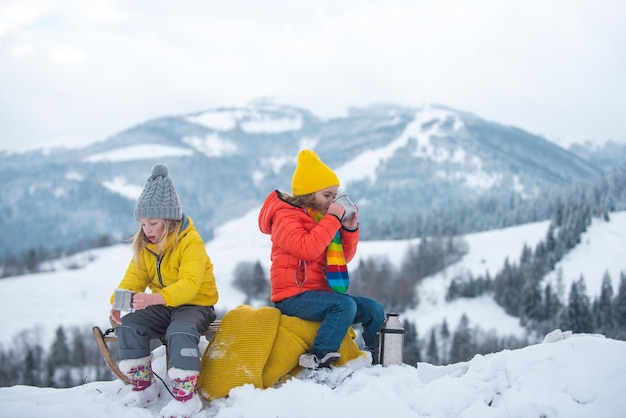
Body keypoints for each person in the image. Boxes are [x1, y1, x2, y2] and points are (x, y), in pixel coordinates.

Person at [258, 149, 386, 369]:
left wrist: (349, 228)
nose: (332, 201)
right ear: (308, 194)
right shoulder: (285, 217)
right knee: (344, 305)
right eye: (327, 195)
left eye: (334, 196)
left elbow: (343, 258)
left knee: (374, 309)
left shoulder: (321, 219)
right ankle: (318, 360)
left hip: (319, 295)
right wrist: (333, 220)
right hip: (292, 297)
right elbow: (307, 249)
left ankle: (378, 360)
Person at [109, 163, 218, 416]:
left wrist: (154, 298)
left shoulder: (190, 242)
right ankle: (144, 387)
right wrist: (119, 301)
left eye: (153, 223)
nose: (147, 230)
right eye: (143, 224)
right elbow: (134, 277)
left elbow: (190, 285)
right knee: (129, 324)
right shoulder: (146, 246)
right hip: (162, 305)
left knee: (179, 330)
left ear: (169, 220)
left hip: (195, 305)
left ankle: (185, 396)